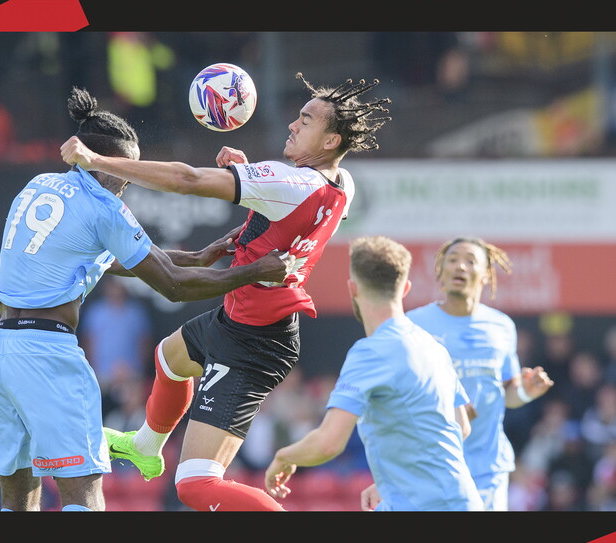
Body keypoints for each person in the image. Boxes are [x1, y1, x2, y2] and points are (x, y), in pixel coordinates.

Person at [61, 72, 392, 511]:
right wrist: (250, 177)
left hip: (253, 341)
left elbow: (186, 179)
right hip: (245, 319)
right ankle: (145, 445)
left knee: (194, 485)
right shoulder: (341, 184)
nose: (293, 124)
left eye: (306, 120)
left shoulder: (289, 183)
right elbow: (294, 214)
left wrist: (96, 160)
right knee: (169, 358)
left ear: (331, 141)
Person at [0, 86, 292, 513]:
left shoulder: (39, 185)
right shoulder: (104, 207)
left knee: (16, 498)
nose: (129, 178)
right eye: (125, 167)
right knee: (84, 497)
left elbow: (105, 258)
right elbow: (173, 286)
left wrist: (199, 256)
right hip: (46, 354)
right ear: (98, 160)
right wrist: (254, 272)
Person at [265, 236, 483, 511]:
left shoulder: (370, 353)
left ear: (352, 288)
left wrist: (284, 457)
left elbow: (328, 443)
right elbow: (461, 426)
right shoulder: (433, 345)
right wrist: (392, 479)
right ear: (405, 288)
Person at [405, 236, 555, 511]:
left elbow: (506, 394)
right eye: (452, 260)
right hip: (431, 465)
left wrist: (525, 392)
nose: (460, 266)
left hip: (486, 468)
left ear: (486, 274)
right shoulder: (413, 325)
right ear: (440, 271)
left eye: (470, 261)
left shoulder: (501, 326)